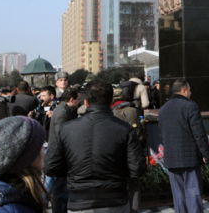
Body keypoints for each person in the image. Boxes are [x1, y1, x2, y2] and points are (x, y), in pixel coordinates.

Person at [44, 80, 147, 213]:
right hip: (114, 201)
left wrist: (73, 172)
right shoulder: (124, 129)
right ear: (111, 102)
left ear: (86, 103)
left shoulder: (67, 129)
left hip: (80, 201)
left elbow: (50, 166)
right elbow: (137, 168)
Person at [158, 80, 209, 213]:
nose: (190, 92)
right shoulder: (190, 106)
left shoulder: (163, 109)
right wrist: (205, 153)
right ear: (183, 90)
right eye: (189, 90)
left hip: (171, 157)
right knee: (193, 192)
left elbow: (162, 134)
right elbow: (199, 133)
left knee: (178, 195)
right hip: (190, 158)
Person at [0, 116, 47, 213]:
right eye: (40, 143)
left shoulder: (6, 194)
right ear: (26, 157)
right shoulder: (13, 209)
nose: (44, 148)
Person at [45, 87, 79, 213]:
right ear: (71, 99)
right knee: (60, 190)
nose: (80, 101)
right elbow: (62, 136)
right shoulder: (63, 113)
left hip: (61, 156)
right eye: (78, 99)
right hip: (60, 157)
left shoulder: (64, 110)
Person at [111, 88, 146, 213]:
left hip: (116, 153)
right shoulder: (134, 111)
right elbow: (141, 133)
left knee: (118, 182)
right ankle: (134, 208)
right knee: (134, 183)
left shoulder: (110, 112)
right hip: (133, 153)